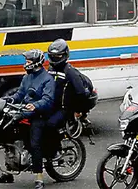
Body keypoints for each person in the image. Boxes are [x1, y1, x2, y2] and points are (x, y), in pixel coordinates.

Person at [7, 49, 55, 189]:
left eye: (28, 62)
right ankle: (8, 171)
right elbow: (20, 94)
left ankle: (39, 177)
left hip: (40, 114)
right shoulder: (26, 78)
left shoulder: (47, 79)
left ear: (36, 63)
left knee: (35, 144)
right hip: (25, 112)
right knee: (6, 133)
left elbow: (48, 99)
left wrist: (35, 106)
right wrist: (7, 99)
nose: (25, 64)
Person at [45, 40, 93, 161]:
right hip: (51, 105)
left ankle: (55, 151)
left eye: (58, 56)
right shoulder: (50, 68)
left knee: (51, 124)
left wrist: (78, 110)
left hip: (65, 109)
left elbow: (81, 92)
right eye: (53, 56)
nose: (55, 58)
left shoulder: (70, 71)